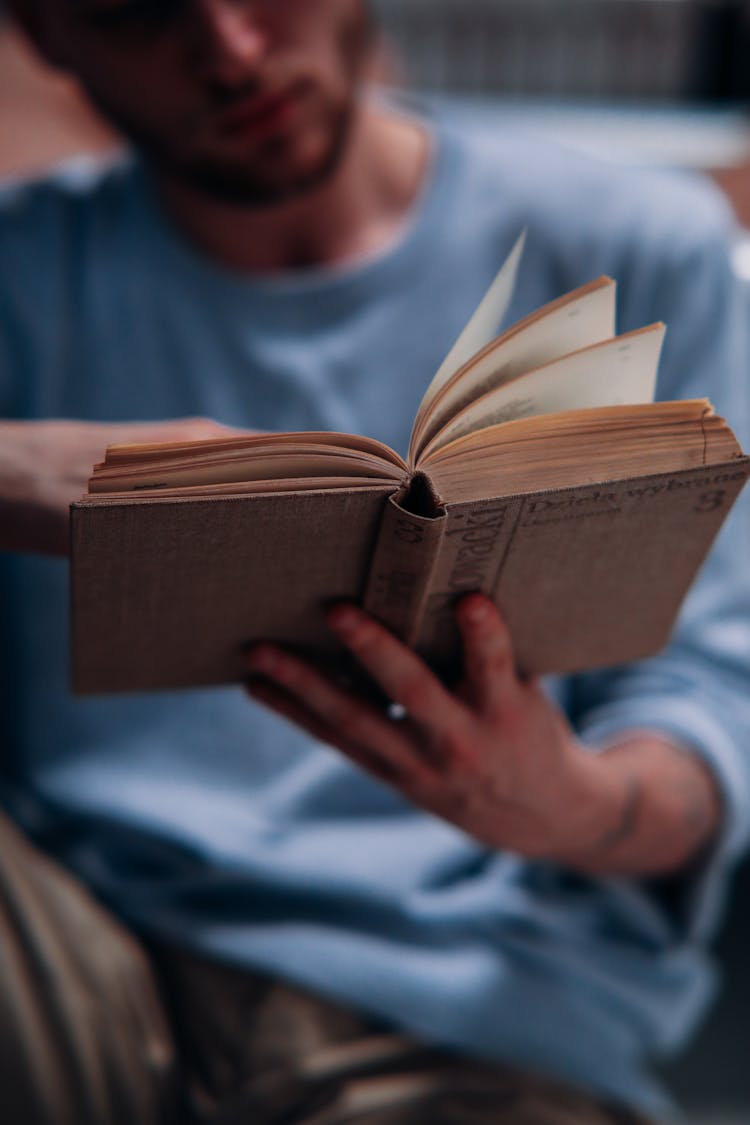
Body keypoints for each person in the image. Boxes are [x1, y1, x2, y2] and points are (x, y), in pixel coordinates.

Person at [1, 2, 749, 1122]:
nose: (232, 50)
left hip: (461, 1003)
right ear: (46, 37)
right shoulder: (23, 268)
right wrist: (19, 473)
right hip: (85, 960)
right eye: (135, 12)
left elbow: (715, 689)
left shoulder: (636, 245)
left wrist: (575, 804)